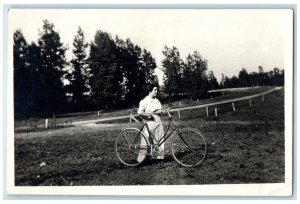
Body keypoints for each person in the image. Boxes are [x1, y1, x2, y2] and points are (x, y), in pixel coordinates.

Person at [137, 83, 165, 162]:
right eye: (155, 90)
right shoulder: (144, 101)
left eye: (157, 89)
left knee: (159, 140)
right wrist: (149, 115)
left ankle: (157, 158)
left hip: (158, 123)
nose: (157, 91)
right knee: (145, 142)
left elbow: (159, 110)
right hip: (149, 124)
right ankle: (141, 160)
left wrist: (164, 111)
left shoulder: (157, 101)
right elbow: (140, 112)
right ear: (150, 90)